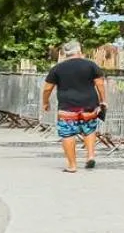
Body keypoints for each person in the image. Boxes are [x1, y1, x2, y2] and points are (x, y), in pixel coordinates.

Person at [42, 41, 107, 173]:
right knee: (89, 130)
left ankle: (72, 166)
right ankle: (90, 156)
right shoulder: (91, 65)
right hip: (89, 105)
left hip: (67, 107)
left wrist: (45, 102)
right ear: (79, 51)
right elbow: (100, 84)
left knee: (68, 134)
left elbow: (48, 88)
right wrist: (103, 100)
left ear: (65, 53)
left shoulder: (57, 68)